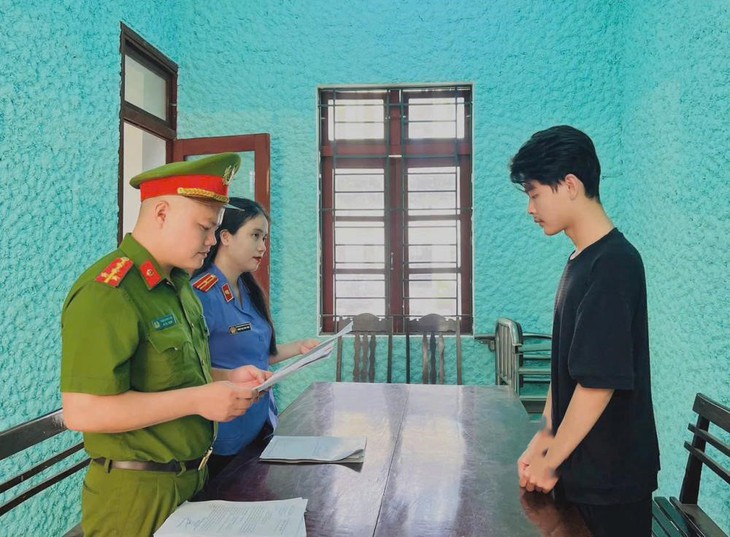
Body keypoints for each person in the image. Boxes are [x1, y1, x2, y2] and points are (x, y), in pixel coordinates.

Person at [60, 153, 272, 536]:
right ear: (161, 213)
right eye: (204, 228)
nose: (212, 241)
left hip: (191, 480)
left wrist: (228, 378)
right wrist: (198, 400)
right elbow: (83, 411)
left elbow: (175, 375)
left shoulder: (179, 285)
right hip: (137, 499)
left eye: (216, 230)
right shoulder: (109, 292)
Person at [509, 126, 660, 537]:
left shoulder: (614, 264)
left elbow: (597, 385)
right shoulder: (580, 260)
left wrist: (551, 460)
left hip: (612, 480)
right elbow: (567, 374)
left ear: (570, 185)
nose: (530, 208)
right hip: (582, 471)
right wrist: (542, 441)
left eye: (535, 193)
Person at [191, 197, 319, 480]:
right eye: (255, 235)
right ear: (225, 237)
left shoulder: (247, 289)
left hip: (259, 424)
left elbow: (256, 355)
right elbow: (190, 371)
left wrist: (300, 348)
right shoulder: (201, 294)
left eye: (264, 238)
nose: (262, 247)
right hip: (224, 435)